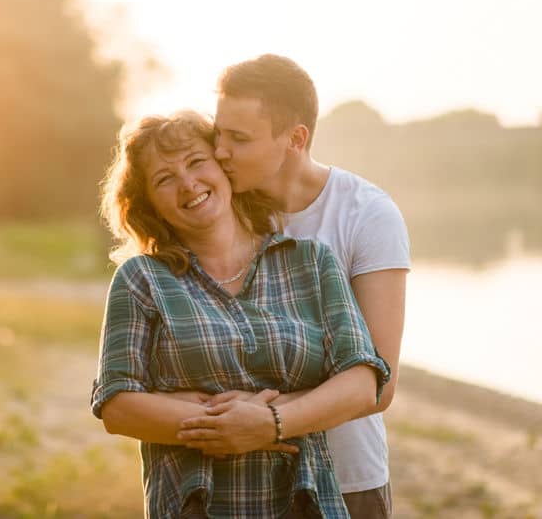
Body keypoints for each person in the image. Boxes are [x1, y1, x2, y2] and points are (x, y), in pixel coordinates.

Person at [91, 110, 390, 518]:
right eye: (164, 179)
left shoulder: (311, 262)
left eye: (197, 162)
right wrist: (229, 427)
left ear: (224, 168)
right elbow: (118, 404)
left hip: (306, 505)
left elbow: (362, 383)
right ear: (149, 205)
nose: (188, 183)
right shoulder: (141, 279)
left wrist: (270, 421)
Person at [179, 54, 411, 518]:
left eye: (239, 139)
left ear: (295, 139)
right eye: (218, 133)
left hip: (345, 481)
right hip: (233, 483)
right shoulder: (216, 210)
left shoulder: (366, 214)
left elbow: (379, 386)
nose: (220, 151)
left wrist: (267, 419)